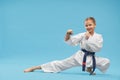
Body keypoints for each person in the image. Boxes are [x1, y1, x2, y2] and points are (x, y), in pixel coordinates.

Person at [24, 17, 110, 75]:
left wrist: (89, 39)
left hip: (91, 58)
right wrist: (68, 34)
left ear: (95, 25)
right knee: (60, 64)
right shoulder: (82, 34)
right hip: (79, 57)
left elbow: (98, 48)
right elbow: (71, 41)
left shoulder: (99, 36)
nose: (88, 27)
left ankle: (89, 67)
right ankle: (36, 67)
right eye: (86, 25)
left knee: (106, 62)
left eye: (90, 25)